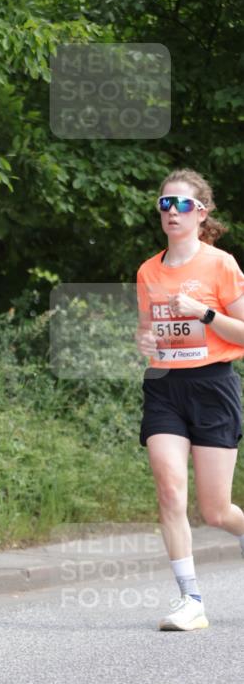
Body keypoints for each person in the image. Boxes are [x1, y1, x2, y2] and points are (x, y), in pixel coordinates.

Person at [136, 168, 244, 631]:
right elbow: (150, 330)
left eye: (181, 205)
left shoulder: (221, 265)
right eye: (165, 204)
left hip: (213, 386)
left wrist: (203, 312)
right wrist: (144, 342)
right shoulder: (148, 270)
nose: (171, 213)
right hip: (164, 386)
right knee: (169, 488)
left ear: (201, 214)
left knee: (215, 510)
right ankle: (190, 599)